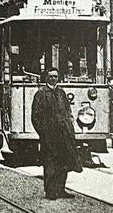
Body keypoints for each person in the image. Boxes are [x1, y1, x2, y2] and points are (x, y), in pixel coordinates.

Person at [31, 68, 83, 200]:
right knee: (49, 163)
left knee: (63, 162)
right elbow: (35, 117)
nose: (53, 79)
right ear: (46, 78)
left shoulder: (61, 93)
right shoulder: (41, 94)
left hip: (63, 134)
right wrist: (43, 132)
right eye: (51, 76)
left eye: (55, 76)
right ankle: (50, 191)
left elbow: (67, 112)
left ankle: (61, 190)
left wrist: (69, 128)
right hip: (49, 135)